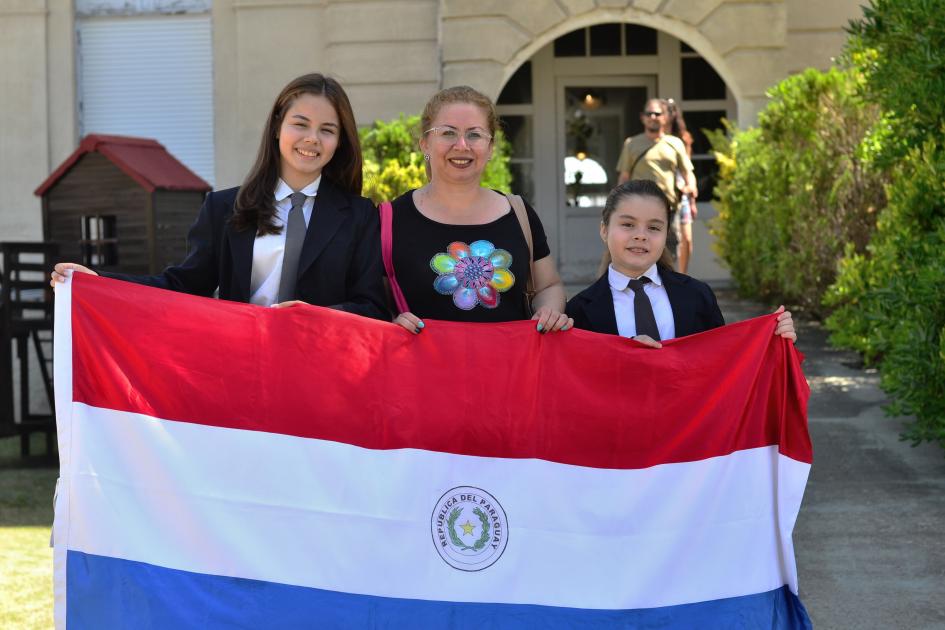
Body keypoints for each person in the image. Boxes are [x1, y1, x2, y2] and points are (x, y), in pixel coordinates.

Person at [51, 73, 387, 320]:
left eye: (327, 130)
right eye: (300, 124)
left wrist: (316, 316)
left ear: (340, 141)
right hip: (244, 369)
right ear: (276, 127)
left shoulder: (359, 216)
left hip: (324, 375)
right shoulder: (224, 209)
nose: (312, 138)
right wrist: (100, 283)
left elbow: (372, 306)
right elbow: (182, 284)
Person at [385, 86, 571, 334]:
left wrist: (549, 311)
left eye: (474, 135)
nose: (462, 145)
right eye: (448, 133)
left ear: (491, 147)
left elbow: (548, 286)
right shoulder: (390, 219)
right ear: (425, 144)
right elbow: (374, 302)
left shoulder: (519, 213)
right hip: (421, 370)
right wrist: (388, 322)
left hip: (510, 368)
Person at [566, 180, 796, 346]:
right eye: (628, 224)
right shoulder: (578, 312)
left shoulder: (698, 296)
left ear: (666, 234)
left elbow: (725, 365)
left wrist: (772, 342)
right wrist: (626, 355)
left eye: (654, 227)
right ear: (604, 229)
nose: (641, 235)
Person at [615, 99, 696, 266]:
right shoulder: (631, 144)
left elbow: (688, 174)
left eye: (657, 113)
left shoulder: (675, 143)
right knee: (640, 250)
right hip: (638, 210)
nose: (653, 117)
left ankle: (669, 289)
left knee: (670, 253)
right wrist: (617, 202)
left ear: (665, 117)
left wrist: (690, 189)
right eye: (649, 113)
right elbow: (624, 177)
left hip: (668, 209)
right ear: (642, 118)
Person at [664, 99, 698, 274]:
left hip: (682, 194)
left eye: (671, 110)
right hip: (664, 194)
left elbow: (687, 169)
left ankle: (683, 276)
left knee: (686, 239)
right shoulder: (654, 139)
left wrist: (692, 200)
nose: (668, 114)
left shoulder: (682, 138)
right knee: (667, 239)